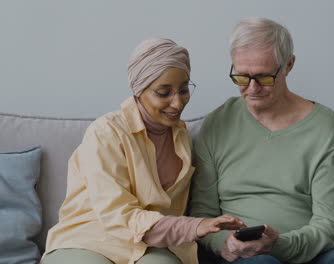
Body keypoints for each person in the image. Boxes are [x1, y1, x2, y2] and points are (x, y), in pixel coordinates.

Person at [41, 38, 244, 264]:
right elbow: (118, 216)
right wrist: (194, 226)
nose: (178, 103)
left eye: (184, 89)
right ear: (139, 90)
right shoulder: (106, 132)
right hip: (91, 237)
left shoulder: (182, 136)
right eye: (164, 92)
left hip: (153, 245)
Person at [189, 18, 334, 264]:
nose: (252, 88)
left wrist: (279, 245)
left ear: (289, 65)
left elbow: (330, 223)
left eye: (264, 77)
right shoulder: (217, 124)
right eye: (241, 76)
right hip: (245, 258)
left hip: (312, 252)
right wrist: (224, 244)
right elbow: (202, 215)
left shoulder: (322, 124)